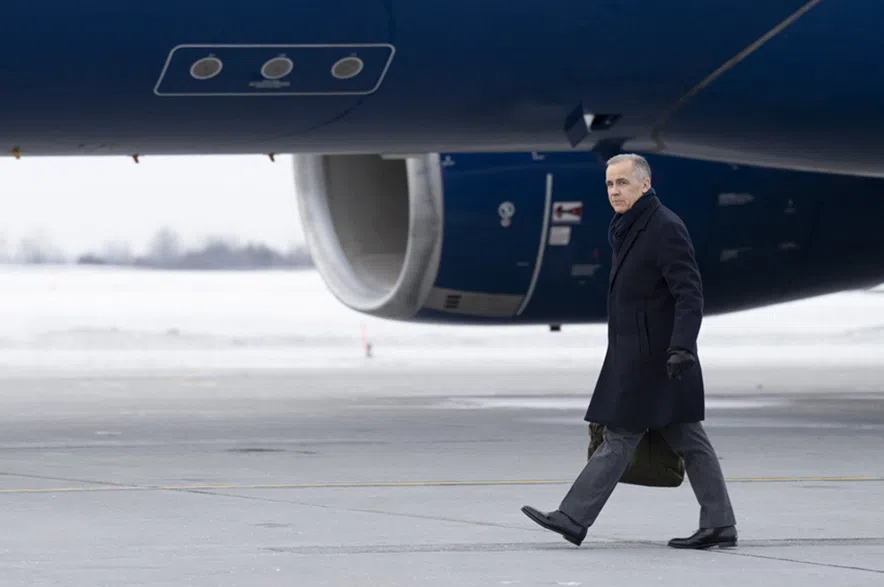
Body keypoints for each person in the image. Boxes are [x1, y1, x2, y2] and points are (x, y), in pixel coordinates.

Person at [521, 153, 737, 549]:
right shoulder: (629, 226)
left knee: (620, 436)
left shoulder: (664, 227)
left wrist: (682, 347)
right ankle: (720, 522)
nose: (615, 191)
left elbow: (689, 293)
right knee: (688, 439)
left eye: (622, 183)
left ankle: (573, 517)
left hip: (659, 360)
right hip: (640, 354)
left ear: (645, 184)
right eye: (609, 184)